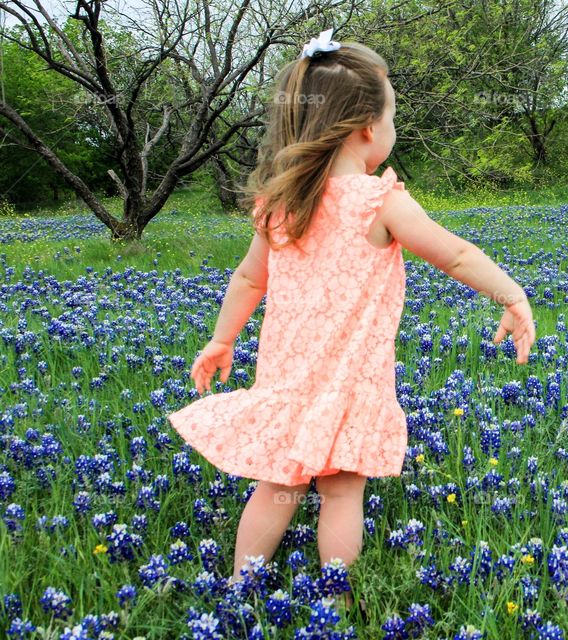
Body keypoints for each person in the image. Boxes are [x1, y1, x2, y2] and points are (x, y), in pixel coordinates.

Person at [165, 29, 536, 615]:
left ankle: (242, 592)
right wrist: (510, 294)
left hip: (288, 378)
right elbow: (455, 254)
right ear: (367, 128)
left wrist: (221, 339)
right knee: (341, 492)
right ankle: (331, 607)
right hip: (352, 382)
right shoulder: (378, 201)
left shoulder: (281, 203)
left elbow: (247, 280)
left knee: (279, 484)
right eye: (392, 115)